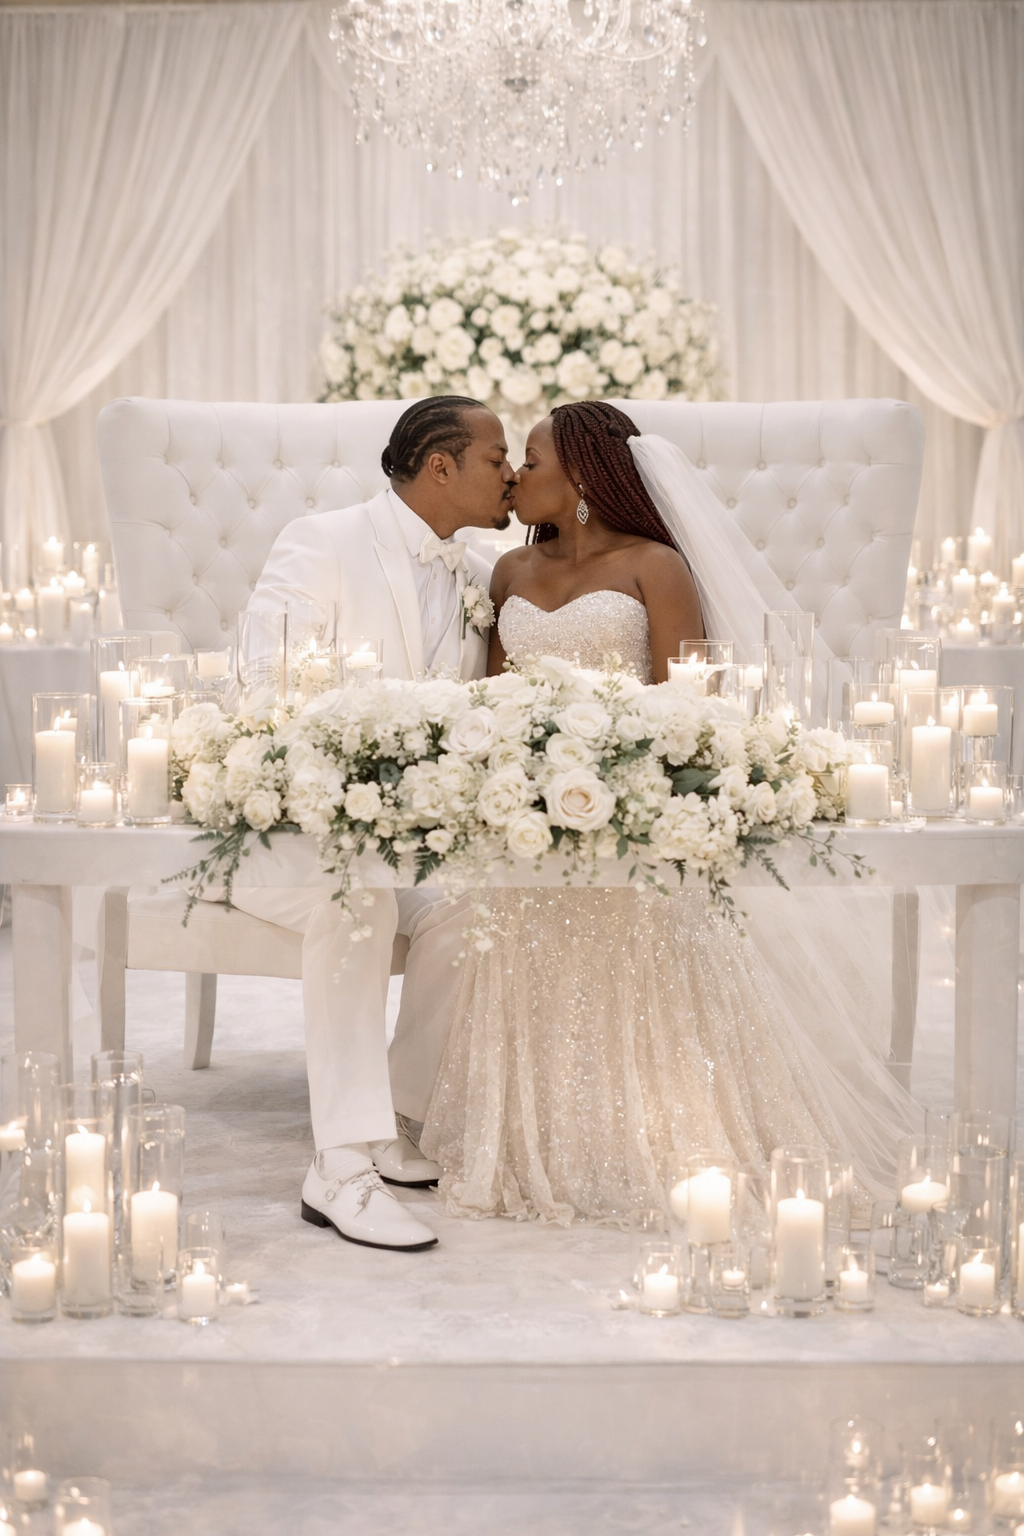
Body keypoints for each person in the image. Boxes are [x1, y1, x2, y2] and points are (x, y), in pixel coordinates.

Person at [420, 401, 919, 1225]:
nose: (517, 474)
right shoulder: (509, 572)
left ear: (582, 478)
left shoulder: (656, 566)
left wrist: (621, 784)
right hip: (531, 820)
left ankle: (656, 1131)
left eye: (534, 460)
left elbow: (692, 711)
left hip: (634, 817)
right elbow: (490, 701)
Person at [228, 396, 517, 1251]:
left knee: (481, 900)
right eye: (497, 457)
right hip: (292, 844)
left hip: (409, 847)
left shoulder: (479, 572)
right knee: (355, 895)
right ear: (441, 467)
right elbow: (261, 690)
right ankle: (338, 1166)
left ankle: (392, 1115)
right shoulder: (322, 541)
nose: (511, 474)